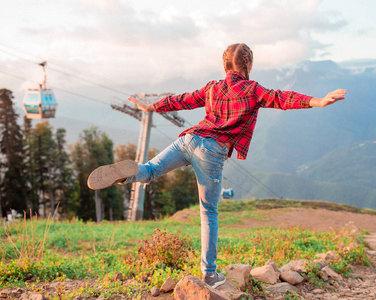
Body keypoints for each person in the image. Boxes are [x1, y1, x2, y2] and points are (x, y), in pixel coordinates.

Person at [87, 43, 346, 288]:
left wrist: (150, 106)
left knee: (150, 170)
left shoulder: (213, 87)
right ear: (249, 65)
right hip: (211, 150)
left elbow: (182, 99)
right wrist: (318, 101)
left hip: (187, 140)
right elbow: (282, 98)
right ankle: (209, 274)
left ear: (224, 67)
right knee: (208, 212)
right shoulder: (253, 90)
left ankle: (126, 175)